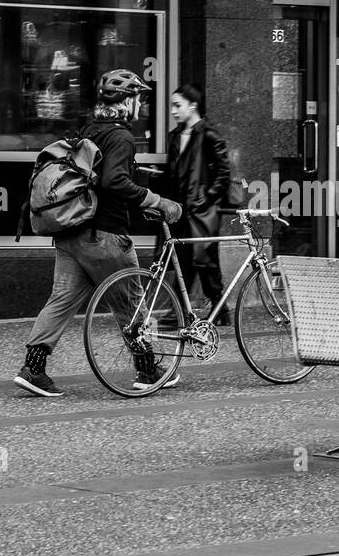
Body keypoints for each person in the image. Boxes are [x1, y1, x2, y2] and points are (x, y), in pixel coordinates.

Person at [15, 69, 182, 397]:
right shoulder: (121, 136)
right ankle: (148, 370)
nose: (140, 105)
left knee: (61, 299)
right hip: (104, 236)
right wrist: (157, 201)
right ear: (128, 101)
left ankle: (33, 368)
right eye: (139, 99)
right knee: (132, 303)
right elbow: (113, 181)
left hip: (71, 233)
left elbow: (98, 174)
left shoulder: (90, 127)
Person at [166, 83, 232, 325]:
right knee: (186, 259)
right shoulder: (174, 137)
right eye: (171, 106)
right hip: (181, 210)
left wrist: (207, 198)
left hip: (202, 211)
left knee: (204, 260)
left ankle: (212, 310)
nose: (173, 111)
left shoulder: (209, 135)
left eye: (177, 105)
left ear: (192, 105)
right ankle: (202, 311)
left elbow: (224, 174)